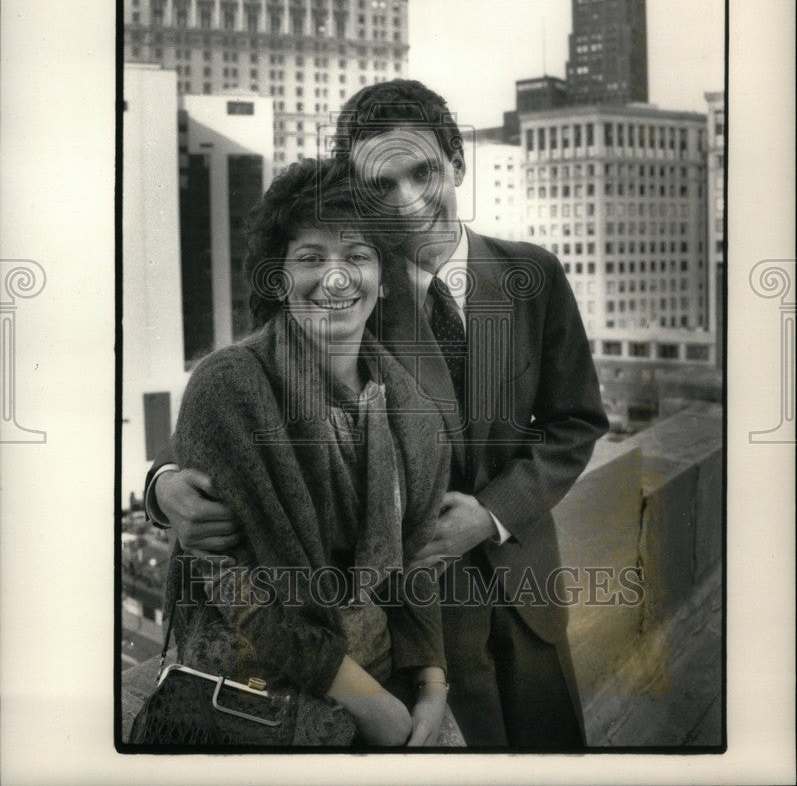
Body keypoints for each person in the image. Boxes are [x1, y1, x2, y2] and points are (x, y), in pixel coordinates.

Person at [147, 79, 609, 748]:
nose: (409, 199)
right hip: (413, 630)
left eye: (422, 171)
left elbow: (575, 421)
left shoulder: (531, 274)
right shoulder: (346, 289)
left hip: (525, 590)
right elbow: (249, 399)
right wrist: (161, 486)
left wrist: (492, 513)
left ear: (456, 162)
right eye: (380, 186)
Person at [157, 157, 453, 747]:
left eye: (357, 256)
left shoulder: (413, 410)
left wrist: (432, 682)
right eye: (311, 257)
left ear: (384, 274)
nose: (336, 279)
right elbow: (230, 581)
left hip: (385, 676)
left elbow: (416, 555)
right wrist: (368, 703)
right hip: (256, 696)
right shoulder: (229, 387)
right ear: (279, 277)